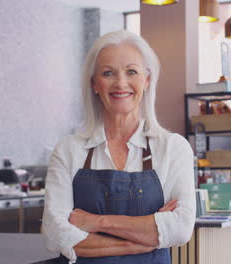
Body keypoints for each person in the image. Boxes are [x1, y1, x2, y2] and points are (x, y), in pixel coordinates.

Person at [42, 30, 196, 264]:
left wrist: (96, 222)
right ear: (95, 83)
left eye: (131, 71)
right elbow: (55, 233)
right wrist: (143, 239)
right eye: (108, 73)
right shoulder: (69, 149)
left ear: (146, 80)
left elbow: (181, 229)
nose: (121, 83)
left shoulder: (173, 148)